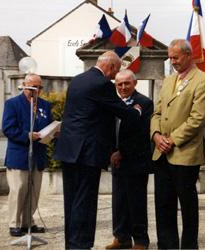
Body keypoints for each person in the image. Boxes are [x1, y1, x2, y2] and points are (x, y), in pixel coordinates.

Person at [53, 51, 141, 249]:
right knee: (85, 202)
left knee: (72, 201)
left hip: (69, 151)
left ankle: (71, 244)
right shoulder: (102, 84)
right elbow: (121, 111)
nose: (115, 75)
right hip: (87, 153)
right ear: (110, 67)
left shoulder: (77, 80)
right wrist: (136, 111)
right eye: (116, 71)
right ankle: (81, 245)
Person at [150, 39, 205, 249]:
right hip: (162, 152)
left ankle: (188, 246)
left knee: (187, 207)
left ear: (188, 55)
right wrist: (157, 136)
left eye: (175, 57)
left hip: (185, 153)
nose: (172, 61)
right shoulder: (168, 80)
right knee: (163, 205)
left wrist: (173, 140)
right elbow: (157, 112)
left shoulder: (203, 80)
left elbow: (198, 118)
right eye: (170, 57)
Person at [105, 69, 153, 250]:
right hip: (116, 161)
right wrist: (111, 152)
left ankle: (140, 241)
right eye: (119, 84)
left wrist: (122, 152)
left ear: (135, 83)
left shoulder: (144, 103)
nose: (123, 87)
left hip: (136, 161)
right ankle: (121, 237)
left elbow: (140, 134)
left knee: (136, 202)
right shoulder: (112, 102)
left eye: (127, 83)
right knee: (119, 202)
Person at [2, 73, 51, 237]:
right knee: (19, 189)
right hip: (19, 155)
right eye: (32, 87)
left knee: (34, 191)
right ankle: (14, 224)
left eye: (38, 87)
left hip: (38, 155)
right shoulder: (12, 104)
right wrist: (27, 135)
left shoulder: (45, 105)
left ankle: (27, 222)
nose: (35, 90)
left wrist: (53, 133)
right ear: (24, 85)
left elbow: (48, 125)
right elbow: (8, 129)